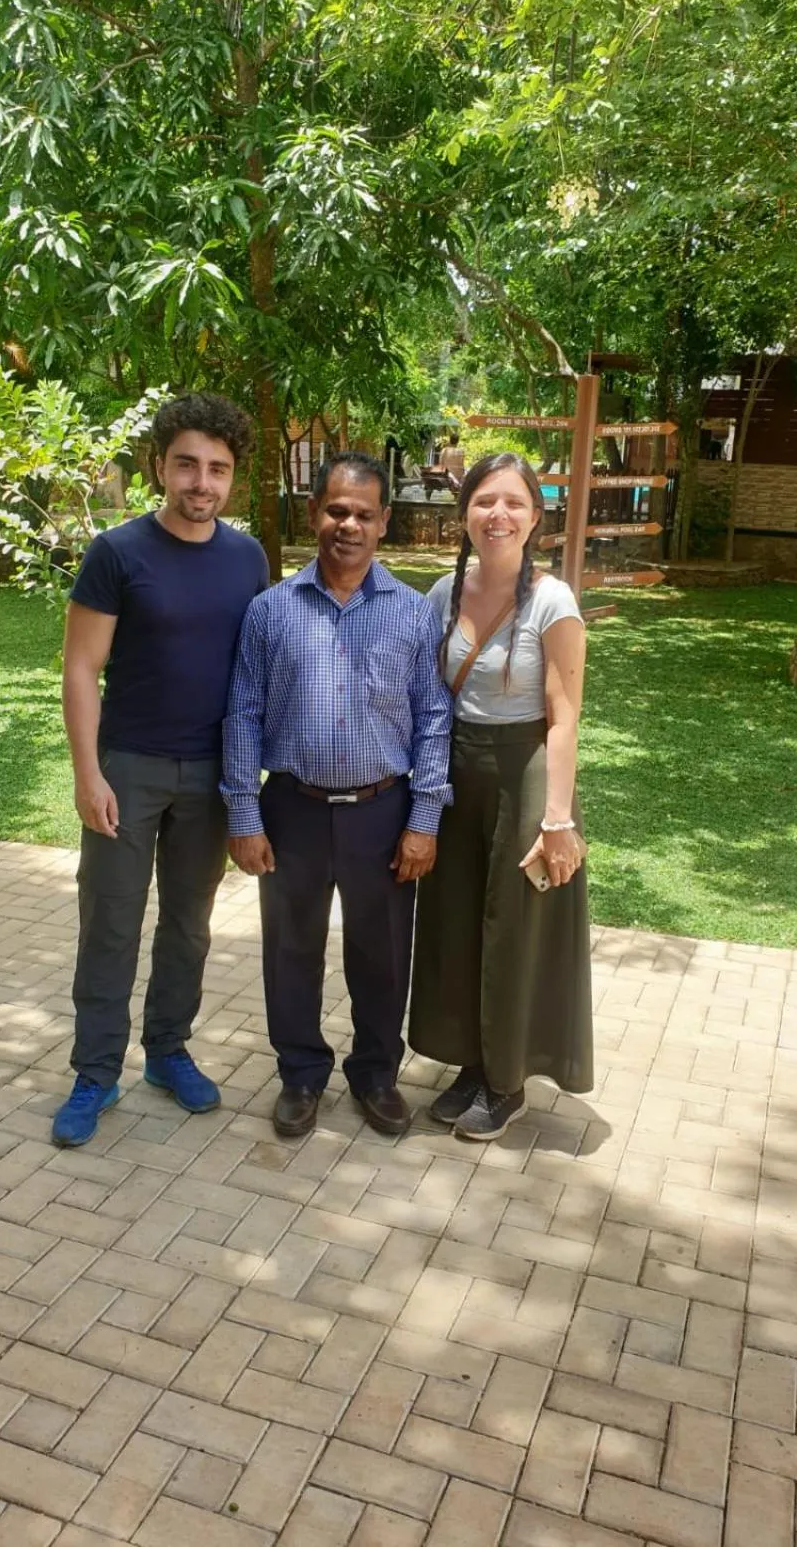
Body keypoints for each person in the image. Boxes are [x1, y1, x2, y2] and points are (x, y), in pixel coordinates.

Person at [52, 393, 269, 1148]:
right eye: (187, 464)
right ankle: (94, 1072)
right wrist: (89, 773)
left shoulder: (248, 558)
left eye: (217, 468)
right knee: (109, 923)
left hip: (209, 776)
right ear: (160, 466)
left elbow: (252, 675)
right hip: (130, 769)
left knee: (189, 925)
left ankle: (168, 1052)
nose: (201, 481)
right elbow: (81, 668)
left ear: (232, 478)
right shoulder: (118, 552)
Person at [223, 452, 453, 1139]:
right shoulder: (270, 612)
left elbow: (434, 719)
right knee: (290, 949)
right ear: (312, 513)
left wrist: (424, 819)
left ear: (384, 523)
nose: (346, 524)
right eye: (334, 510)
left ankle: (377, 1073)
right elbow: (243, 714)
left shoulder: (413, 615)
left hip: (383, 811)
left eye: (362, 514)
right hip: (290, 808)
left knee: (381, 952)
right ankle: (299, 1074)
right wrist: (242, 812)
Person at [408, 451, 593, 1142]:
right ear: (464, 515)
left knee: (511, 929)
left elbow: (565, 715)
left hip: (527, 772)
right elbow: (426, 696)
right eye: (485, 501)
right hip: (457, 774)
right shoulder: (440, 595)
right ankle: (470, 1062)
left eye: (514, 502)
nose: (499, 515)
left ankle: (507, 1080)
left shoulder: (552, 600)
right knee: (455, 921)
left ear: (535, 516)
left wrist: (557, 818)